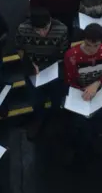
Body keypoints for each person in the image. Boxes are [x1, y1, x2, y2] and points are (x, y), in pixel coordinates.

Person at [63, 24, 102, 161]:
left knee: (99, 120)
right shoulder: (71, 55)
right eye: (88, 45)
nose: (92, 50)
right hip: (79, 93)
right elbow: (70, 80)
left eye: (96, 45)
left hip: (99, 92)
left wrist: (97, 84)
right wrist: (83, 92)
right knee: (78, 123)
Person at [16, 8, 69, 139]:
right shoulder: (23, 29)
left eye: (45, 29)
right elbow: (19, 48)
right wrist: (29, 64)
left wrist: (50, 65)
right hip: (33, 67)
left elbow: (64, 52)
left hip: (53, 66)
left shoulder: (61, 30)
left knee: (57, 96)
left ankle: (56, 119)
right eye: (38, 31)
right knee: (35, 98)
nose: (42, 33)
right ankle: (38, 120)